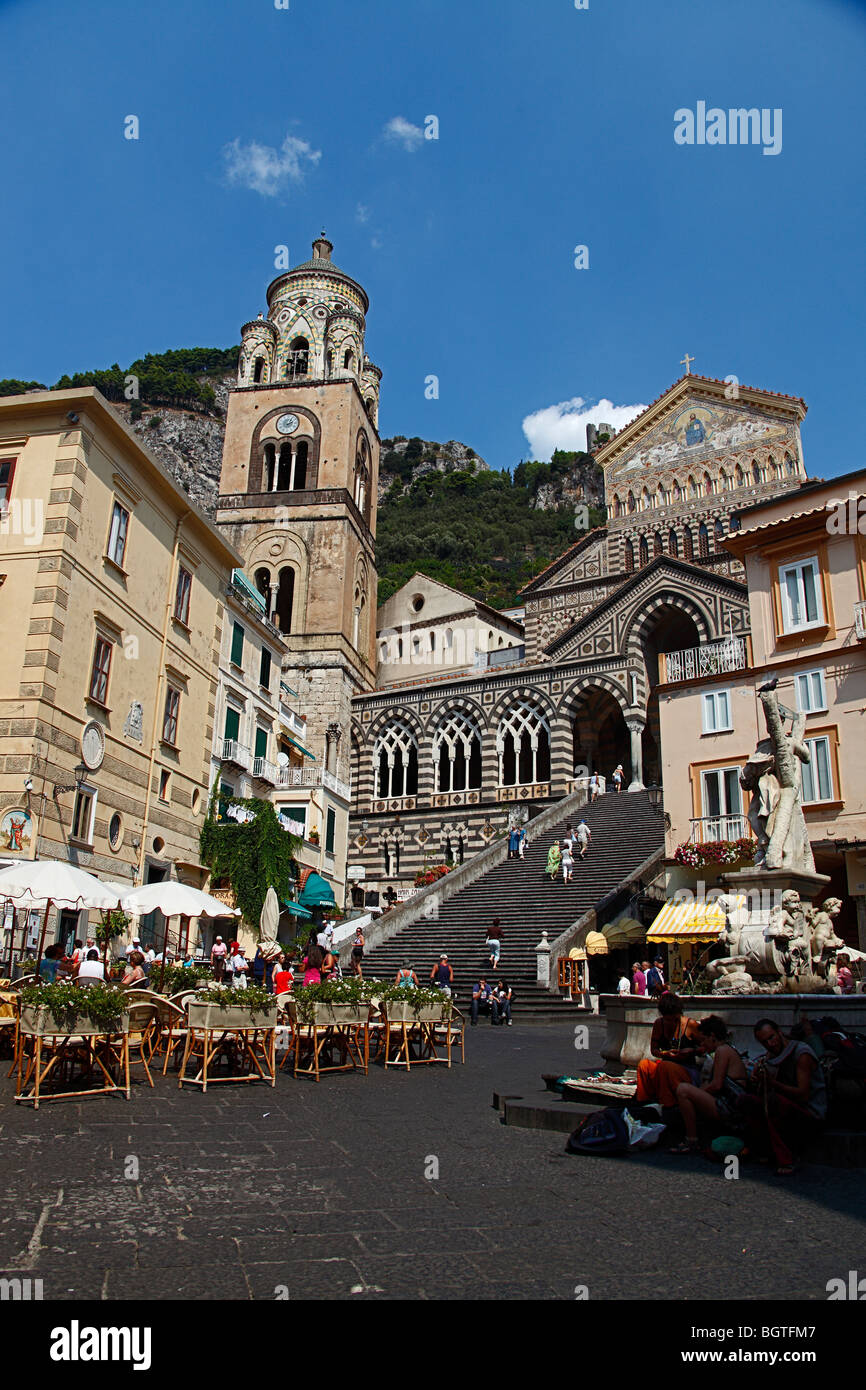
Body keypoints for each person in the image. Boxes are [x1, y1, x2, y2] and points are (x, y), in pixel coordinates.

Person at [740, 1018, 827, 1175]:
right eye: (765, 1042)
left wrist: (773, 1083)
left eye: (772, 1037)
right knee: (747, 1101)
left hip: (810, 1113)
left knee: (774, 1101)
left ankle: (788, 1159)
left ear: (779, 1032)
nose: (770, 1044)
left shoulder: (801, 1053)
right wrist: (757, 1080)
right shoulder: (770, 1056)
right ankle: (763, 1150)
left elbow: (803, 1095)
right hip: (786, 1107)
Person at [671, 1016, 748, 1154]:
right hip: (728, 1105)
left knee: (683, 1090)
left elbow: (717, 1085)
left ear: (712, 1036)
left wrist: (696, 1092)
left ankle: (692, 1140)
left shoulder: (722, 1050)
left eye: (704, 1040)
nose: (703, 1045)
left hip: (731, 1109)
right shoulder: (725, 1049)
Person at [634, 992, 701, 1107]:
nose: (670, 1023)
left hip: (686, 1069)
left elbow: (706, 1047)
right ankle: (644, 1103)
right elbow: (654, 1050)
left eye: (674, 1020)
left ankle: (667, 1105)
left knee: (665, 1067)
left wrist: (691, 1051)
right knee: (644, 1065)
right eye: (667, 1020)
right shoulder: (659, 1024)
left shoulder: (690, 1025)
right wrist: (665, 1054)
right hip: (665, 1065)